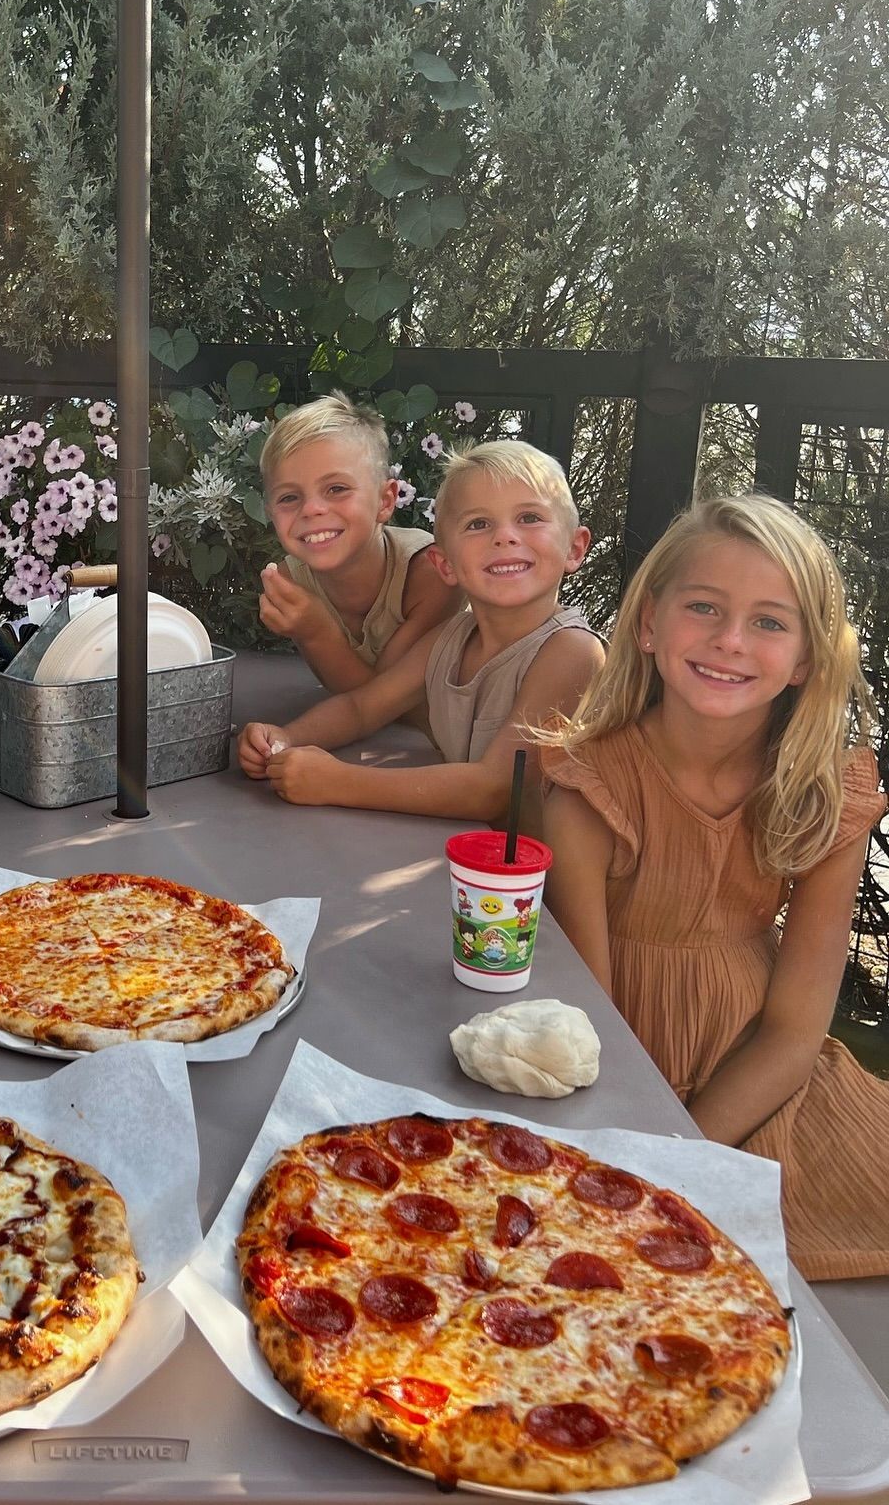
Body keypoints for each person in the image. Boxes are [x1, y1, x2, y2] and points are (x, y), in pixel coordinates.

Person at [540, 493, 888, 1279]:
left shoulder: (824, 795)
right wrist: (642, 1164)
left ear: (805, 658)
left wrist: (682, 1160)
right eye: (705, 607)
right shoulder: (590, 784)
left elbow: (796, 1031)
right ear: (651, 623)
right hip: (618, 1078)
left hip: (766, 1083)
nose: (731, 641)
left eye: (770, 621)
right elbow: (587, 1022)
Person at [239, 440, 602, 822]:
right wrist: (284, 738)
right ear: (444, 565)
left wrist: (336, 781)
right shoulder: (450, 638)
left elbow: (494, 790)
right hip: (469, 862)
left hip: (549, 880)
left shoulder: (571, 651)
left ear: (574, 549)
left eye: (529, 517)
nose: (505, 537)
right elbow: (361, 708)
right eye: (478, 524)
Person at [257, 391, 462, 689]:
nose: (312, 509)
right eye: (289, 497)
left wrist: (316, 632)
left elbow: (383, 704)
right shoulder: (292, 581)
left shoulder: (431, 573)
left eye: (336, 488)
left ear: (385, 501)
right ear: (271, 513)